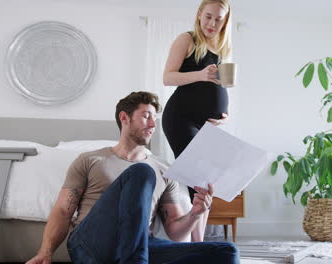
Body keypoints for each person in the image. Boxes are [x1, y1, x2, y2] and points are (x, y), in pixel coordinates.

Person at [26, 91, 239, 264]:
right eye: (146, 116)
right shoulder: (91, 160)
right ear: (124, 118)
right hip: (93, 245)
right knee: (142, 171)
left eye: (155, 118)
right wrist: (45, 252)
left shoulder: (164, 169)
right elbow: (63, 211)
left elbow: (175, 230)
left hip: (142, 245)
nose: (153, 125)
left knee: (226, 251)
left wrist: (195, 213)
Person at [162, 0, 232, 241]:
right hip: (181, 118)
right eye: (209, 16)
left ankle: (197, 244)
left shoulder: (220, 48)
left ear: (225, 21)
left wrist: (223, 116)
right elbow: (168, 77)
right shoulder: (187, 39)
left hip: (207, 124)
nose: (212, 23)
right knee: (198, 180)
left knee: (207, 181)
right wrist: (201, 75)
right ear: (200, 14)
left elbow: (217, 89)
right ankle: (197, 245)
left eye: (218, 19)